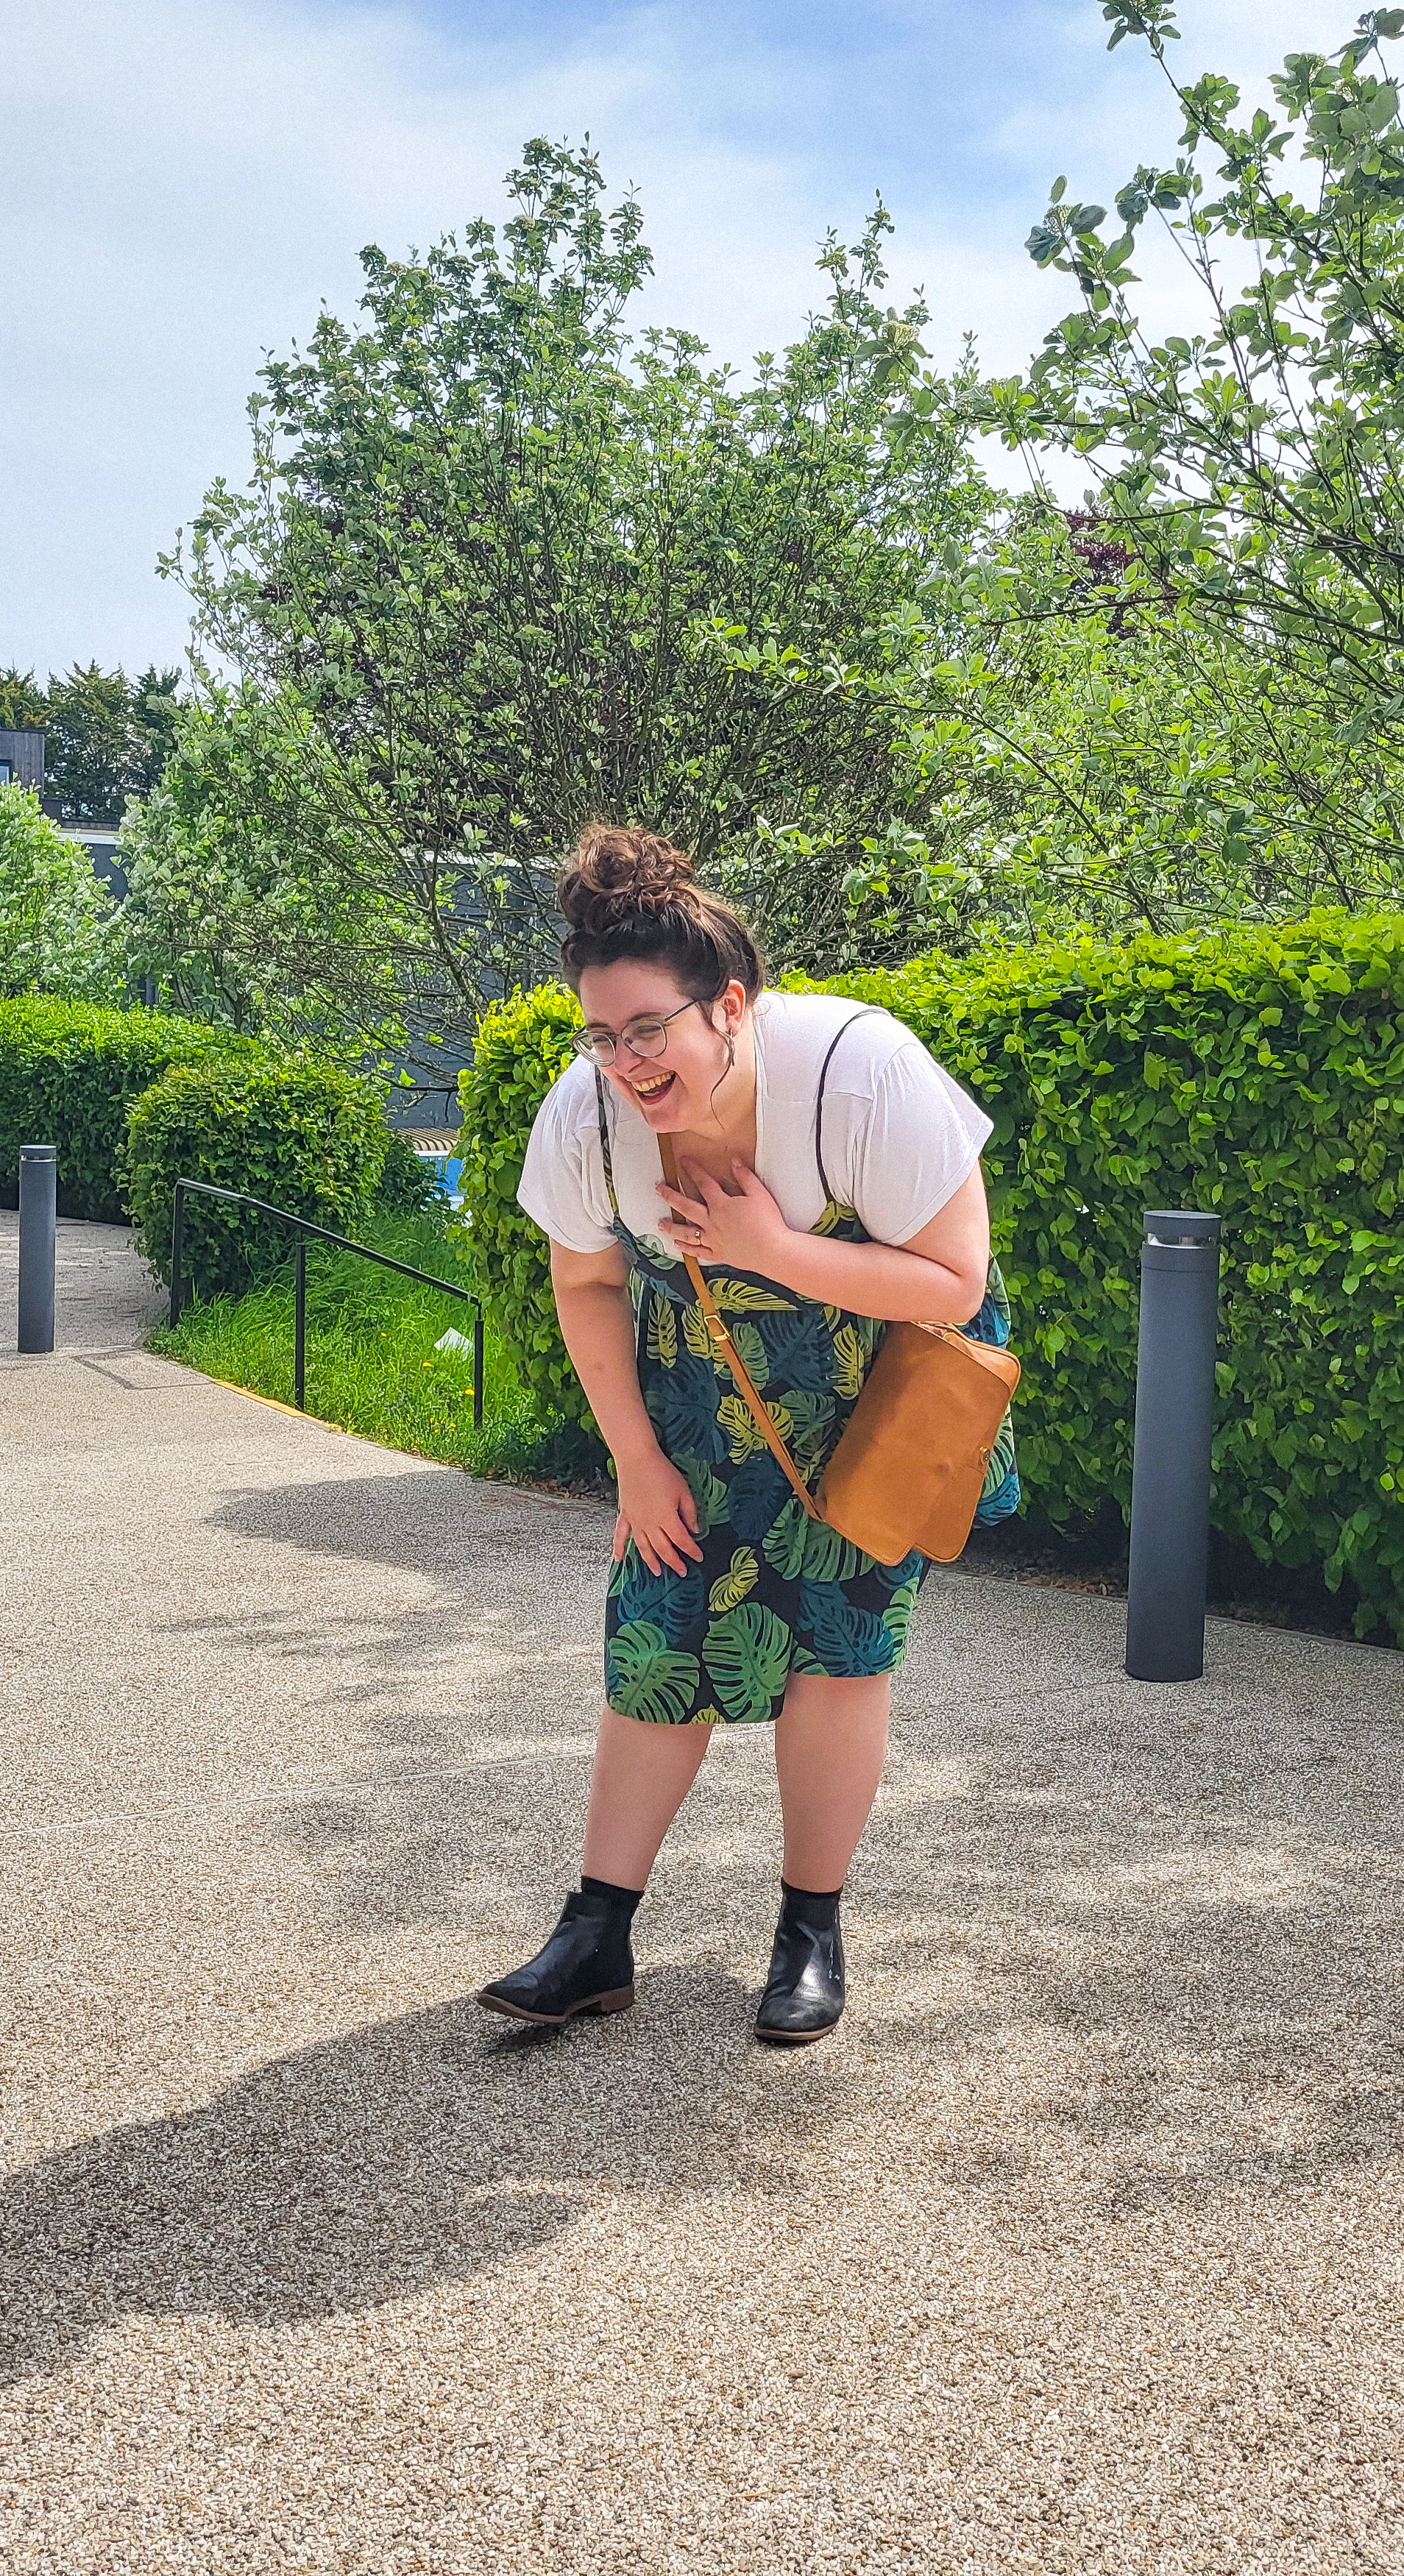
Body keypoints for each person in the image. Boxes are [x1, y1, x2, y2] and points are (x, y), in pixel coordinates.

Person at [478, 825, 1016, 2044]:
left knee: (838, 1649)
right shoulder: (585, 1116)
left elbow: (953, 1278)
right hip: (689, 1394)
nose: (623, 1062)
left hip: (868, 1380)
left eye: (648, 1030)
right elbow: (587, 1286)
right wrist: (635, 1458)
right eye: (599, 1036)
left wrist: (775, 1251)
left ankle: (810, 1931)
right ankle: (596, 1931)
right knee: (657, 1633)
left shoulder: (859, 1073)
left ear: (729, 1005)